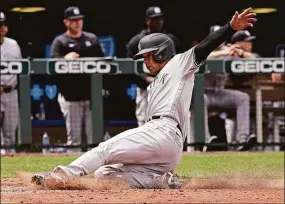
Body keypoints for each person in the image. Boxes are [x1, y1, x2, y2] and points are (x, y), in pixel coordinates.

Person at [31, 8, 257, 189]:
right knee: (105, 175)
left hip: (163, 131)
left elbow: (205, 47)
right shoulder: (156, 82)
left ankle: (61, 176)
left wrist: (229, 28)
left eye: (148, 55)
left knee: (104, 150)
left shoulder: (178, 64)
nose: (145, 61)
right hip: (168, 148)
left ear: (161, 52)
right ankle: (163, 181)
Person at [50, 6, 104, 152]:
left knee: (95, 139)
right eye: (73, 20)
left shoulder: (92, 39)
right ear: (66, 22)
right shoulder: (60, 41)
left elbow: (104, 61)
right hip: (70, 96)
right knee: (74, 140)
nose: (77, 22)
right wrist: (64, 59)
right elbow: (52, 63)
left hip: (91, 96)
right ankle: (72, 173)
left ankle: (93, 174)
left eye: (79, 19)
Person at [203, 25, 257, 152]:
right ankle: (205, 140)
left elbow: (255, 60)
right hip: (203, 93)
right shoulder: (204, 49)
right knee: (202, 99)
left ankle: (242, 140)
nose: (219, 40)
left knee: (243, 98)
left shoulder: (229, 50)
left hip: (220, 93)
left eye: (221, 37)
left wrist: (241, 53)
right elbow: (203, 57)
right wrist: (225, 52)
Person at [126, 6, 180, 126]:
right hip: (145, 89)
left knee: (167, 123)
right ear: (147, 21)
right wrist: (146, 79)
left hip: (167, 88)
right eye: (155, 19)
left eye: (160, 19)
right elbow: (129, 67)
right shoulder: (137, 41)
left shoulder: (171, 40)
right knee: (144, 124)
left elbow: (180, 64)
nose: (158, 22)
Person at [0, 12, 22, 155]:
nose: (2, 27)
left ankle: (8, 174)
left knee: (10, 134)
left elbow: (21, 68)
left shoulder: (13, 44)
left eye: (4, 23)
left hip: (11, 92)